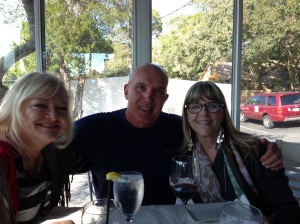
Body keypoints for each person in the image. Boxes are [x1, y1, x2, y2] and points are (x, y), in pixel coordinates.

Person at [71, 63, 283, 205]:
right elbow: (53, 149)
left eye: (157, 92)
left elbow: (213, 130)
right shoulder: (94, 128)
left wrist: (263, 147)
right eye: (141, 87)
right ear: (126, 90)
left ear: (165, 98)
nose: (148, 98)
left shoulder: (179, 128)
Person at [181, 81, 300, 224]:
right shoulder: (184, 157)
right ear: (186, 114)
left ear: (223, 111)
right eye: (195, 106)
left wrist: (268, 221)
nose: (203, 113)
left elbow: (290, 210)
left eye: (212, 106)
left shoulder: (254, 151)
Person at [0, 72, 76, 223]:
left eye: (62, 108)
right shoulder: (2, 157)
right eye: (40, 105)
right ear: (15, 107)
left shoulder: (50, 153)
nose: (54, 116)